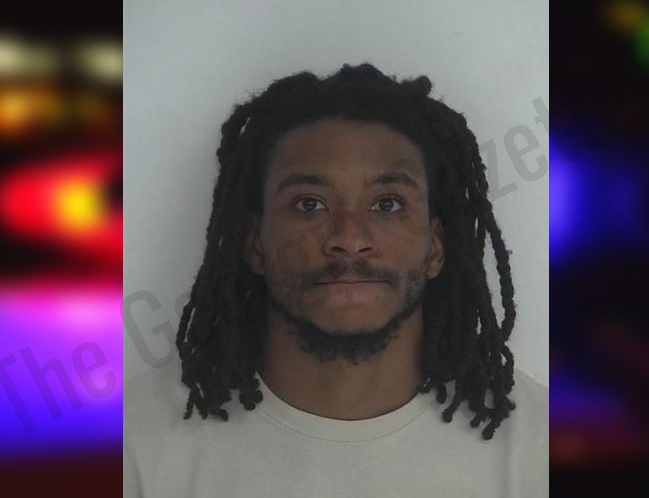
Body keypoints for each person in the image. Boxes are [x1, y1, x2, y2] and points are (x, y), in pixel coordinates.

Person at [124, 63, 548, 497]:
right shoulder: (131, 448)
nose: (349, 238)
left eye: (387, 204)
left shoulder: (542, 454)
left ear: (435, 247)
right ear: (254, 244)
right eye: (309, 204)